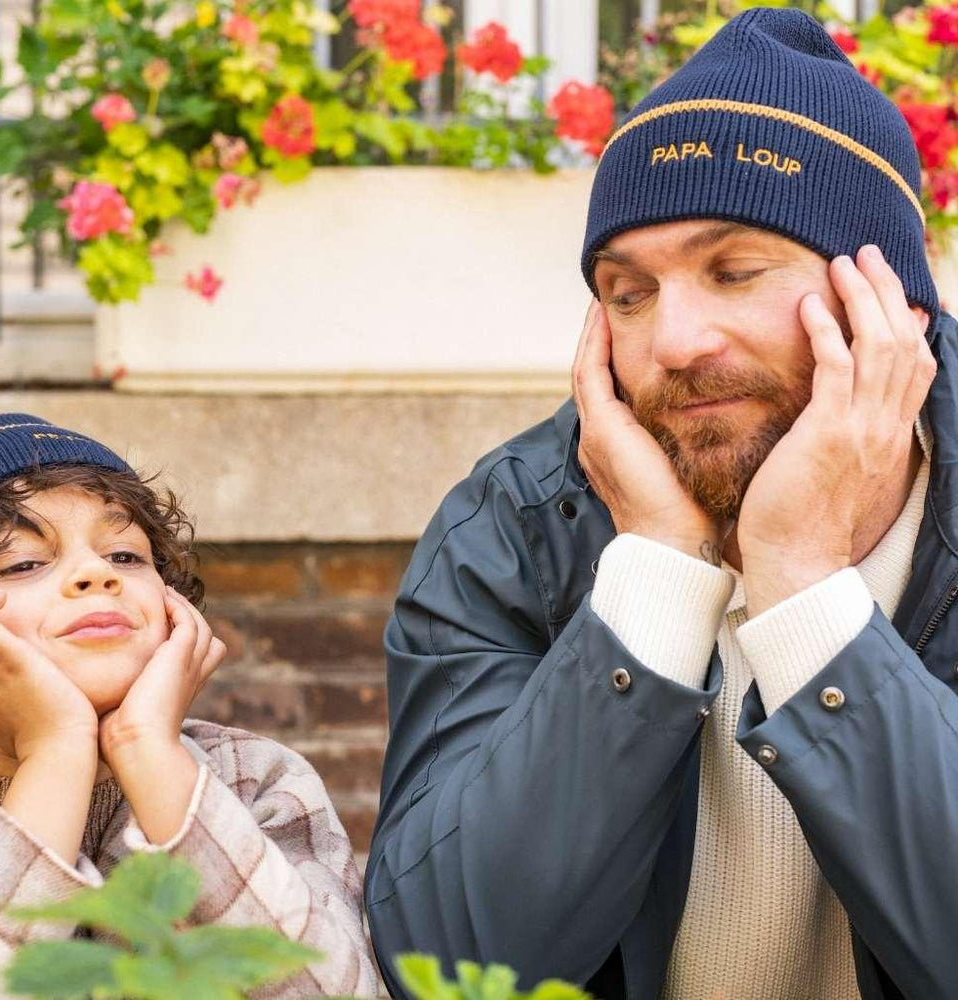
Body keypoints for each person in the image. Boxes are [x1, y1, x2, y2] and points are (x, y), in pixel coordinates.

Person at [365, 8, 957, 999]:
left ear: (885, 302)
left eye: (734, 270)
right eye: (627, 291)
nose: (673, 341)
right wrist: (654, 573)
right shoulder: (512, 530)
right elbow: (452, 967)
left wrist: (802, 584)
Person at [0, 413, 378, 999]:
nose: (94, 573)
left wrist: (146, 750)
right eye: (24, 563)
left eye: (126, 556)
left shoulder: (255, 777)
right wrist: (55, 754)